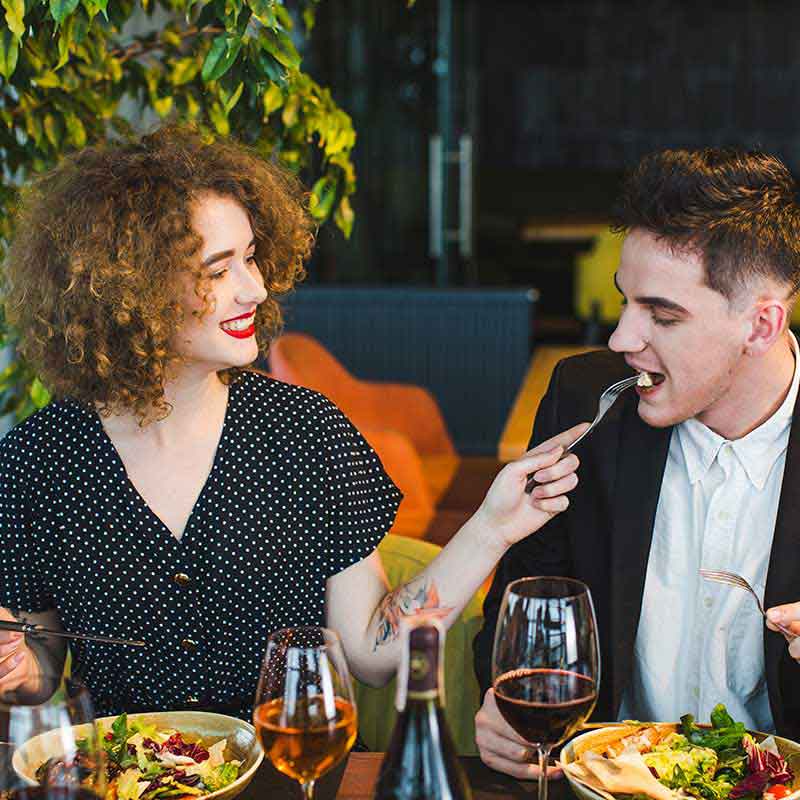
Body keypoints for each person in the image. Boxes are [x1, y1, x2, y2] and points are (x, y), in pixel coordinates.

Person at [0, 126, 585, 717]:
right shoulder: (37, 459)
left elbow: (373, 653)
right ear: (132, 291)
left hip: (295, 759)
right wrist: (18, 667)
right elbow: (40, 666)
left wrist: (491, 528)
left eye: (250, 257)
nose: (254, 289)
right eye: (217, 270)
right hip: (125, 764)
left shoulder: (304, 432)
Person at [473, 147, 800, 779]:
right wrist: (504, 710)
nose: (621, 339)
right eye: (625, 302)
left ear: (761, 327)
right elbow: (517, 620)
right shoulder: (582, 404)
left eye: (663, 315)